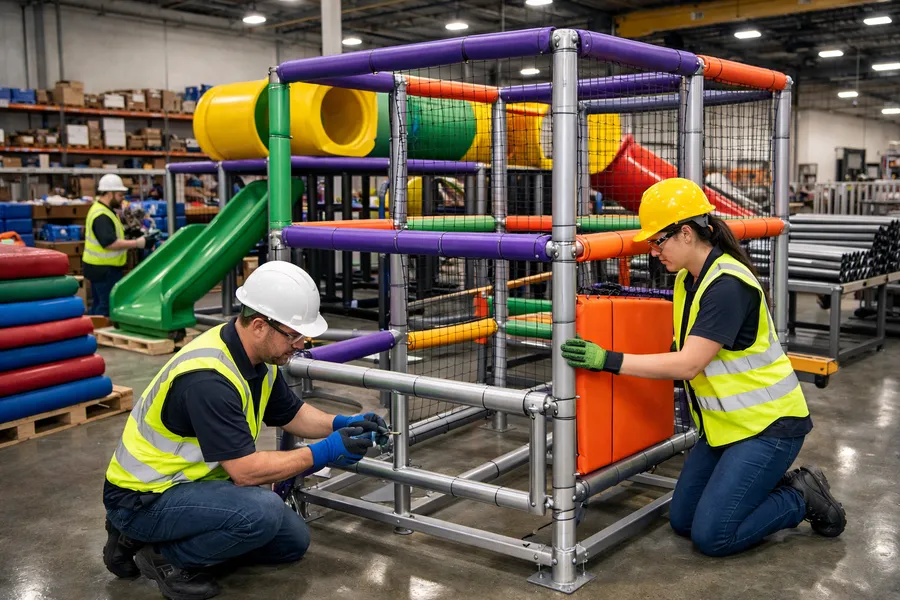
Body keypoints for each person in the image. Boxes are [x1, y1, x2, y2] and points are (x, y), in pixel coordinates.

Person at [560, 178, 846, 557]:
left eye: (657, 241)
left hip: (770, 426)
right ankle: (759, 487)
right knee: (683, 519)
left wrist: (608, 360)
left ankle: (800, 495)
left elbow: (690, 363)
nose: (653, 251)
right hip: (725, 427)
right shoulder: (686, 280)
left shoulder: (727, 285)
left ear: (686, 233)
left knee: (714, 536)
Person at [102, 261, 387, 600]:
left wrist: (343, 424)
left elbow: (292, 413)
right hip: (144, 498)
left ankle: (171, 539)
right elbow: (245, 472)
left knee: (292, 542)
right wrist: (326, 450)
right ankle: (162, 555)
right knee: (262, 511)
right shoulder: (208, 380)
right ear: (258, 326)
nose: (300, 344)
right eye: (293, 335)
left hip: (194, 487)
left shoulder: (257, 360)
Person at [83, 174, 154, 316]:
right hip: (104, 268)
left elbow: (113, 234)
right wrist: (137, 243)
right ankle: (99, 333)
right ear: (110, 194)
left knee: (99, 305)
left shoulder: (105, 210)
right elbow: (109, 243)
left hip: (100, 267)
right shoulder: (101, 215)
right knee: (106, 308)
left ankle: (94, 331)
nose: (123, 198)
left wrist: (131, 234)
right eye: (120, 195)